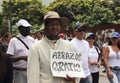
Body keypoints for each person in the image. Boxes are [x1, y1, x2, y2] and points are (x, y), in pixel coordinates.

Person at [27, 11, 80, 83]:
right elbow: (33, 77)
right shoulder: (35, 48)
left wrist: (73, 78)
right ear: (45, 27)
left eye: (57, 24)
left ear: (60, 27)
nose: (55, 27)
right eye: (51, 24)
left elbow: (76, 73)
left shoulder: (69, 45)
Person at [7, 19, 35, 83]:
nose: (28, 29)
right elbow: (9, 59)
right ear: (20, 29)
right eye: (25, 28)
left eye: (28, 28)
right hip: (19, 72)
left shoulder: (32, 40)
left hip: (31, 71)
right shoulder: (13, 41)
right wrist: (21, 58)